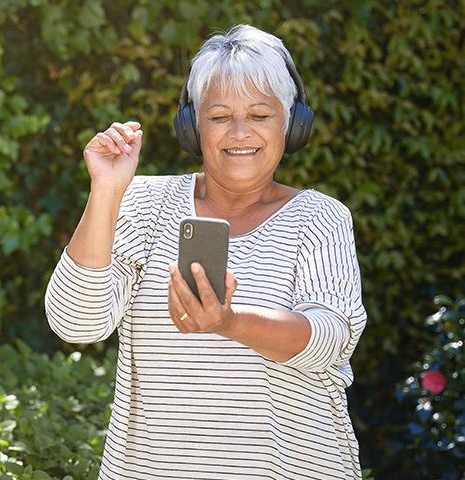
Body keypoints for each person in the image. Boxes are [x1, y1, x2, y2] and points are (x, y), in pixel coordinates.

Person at [44, 24, 367, 480]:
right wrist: (106, 190)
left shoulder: (320, 218)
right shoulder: (141, 203)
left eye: (259, 114)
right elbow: (77, 323)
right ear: (192, 127)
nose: (239, 132)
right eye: (219, 116)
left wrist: (229, 323)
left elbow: (329, 341)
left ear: (291, 124)